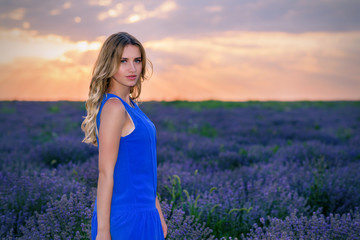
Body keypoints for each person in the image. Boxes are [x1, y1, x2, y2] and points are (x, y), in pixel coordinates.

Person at [81, 32, 167, 240]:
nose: (132, 68)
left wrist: (158, 214)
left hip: (146, 215)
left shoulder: (132, 107)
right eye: (123, 61)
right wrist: (103, 232)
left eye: (137, 60)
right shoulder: (113, 107)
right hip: (126, 219)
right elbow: (105, 173)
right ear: (109, 64)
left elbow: (143, 167)